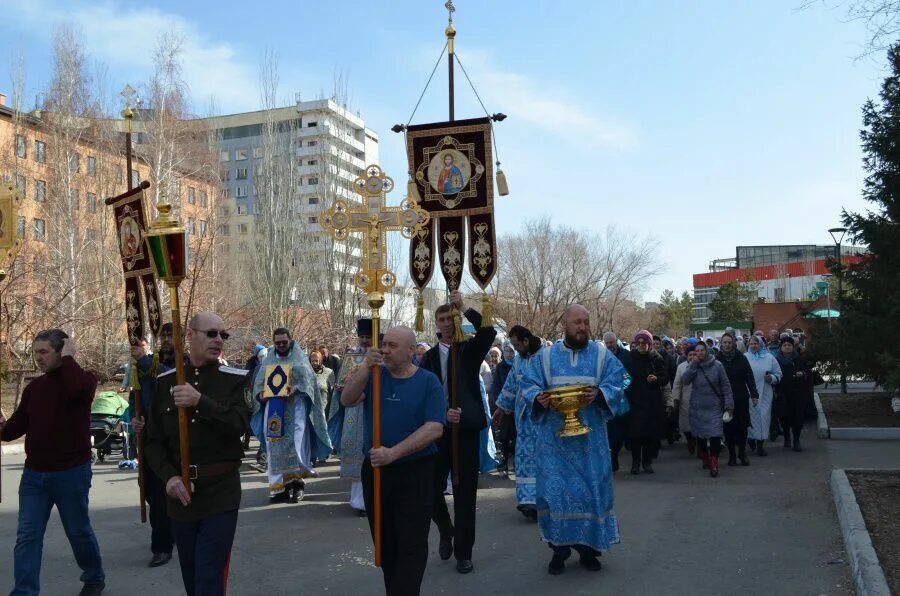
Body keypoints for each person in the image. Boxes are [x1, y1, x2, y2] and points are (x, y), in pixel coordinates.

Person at [143, 313, 249, 596]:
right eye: (211, 333)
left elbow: (240, 424)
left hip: (220, 494)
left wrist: (200, 401)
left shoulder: (235, 380)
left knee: (208, 579)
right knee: (192, 578)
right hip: (181, 496)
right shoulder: (165, 383)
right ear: (190, 336)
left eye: (223, 335)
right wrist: (169, 477)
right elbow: (152, 442)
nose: (218, 340)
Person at [519, 305, 626, 576]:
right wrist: (538, 399)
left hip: (592, 445)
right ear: (564, 324)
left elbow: (622, 379)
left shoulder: (602, 355)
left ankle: (589, 549)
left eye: (586, 322)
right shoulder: (545, 357)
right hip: (555, 445)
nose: (582, 327)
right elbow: (527, 384)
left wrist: (601, 393)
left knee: (591, 494)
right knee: (557, 496)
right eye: (577, 322)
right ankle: (559, 550)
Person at [340, 326, 445, 596]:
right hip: (375, 471)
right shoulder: (375, 376)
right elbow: (347, 399)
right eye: (384, 344)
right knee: (385, 543)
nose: (385, 350)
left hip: (415, 472)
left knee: (411, 543)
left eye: (392, 346)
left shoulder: (428, 381)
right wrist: (365, 367)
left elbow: (434, 428)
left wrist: (394, 452)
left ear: (411, 351)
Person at [0, 331, 106, 596]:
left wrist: (70, 360)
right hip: (35, 475)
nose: (38, 358)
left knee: (77, 531)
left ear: (62, 352)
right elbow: (12, 429)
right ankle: (24, 592)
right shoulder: (34, 388)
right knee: (27, 536)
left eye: (44, 352)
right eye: (36, 352)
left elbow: (78, 391)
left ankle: (94, 577)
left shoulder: (84, 380)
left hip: (71, 472)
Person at [419, 290, 496, 574]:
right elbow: (423, 395)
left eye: (450, 317)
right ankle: (446, 529)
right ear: (436, 324)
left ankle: (464, 551)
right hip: (436, 431)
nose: (447, 323)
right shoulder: (426, 358)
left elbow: (488, 332)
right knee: (429, 489)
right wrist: (441, 415)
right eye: (442, 319)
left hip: (464, 432)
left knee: (465, 493)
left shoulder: (469, 351)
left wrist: (464, 307)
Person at [253, 327, 331, 503]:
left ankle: (297, 485)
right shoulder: (269, 359)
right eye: (277, 342)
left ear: (290, 340)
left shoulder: (300, 359)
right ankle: (279, 488)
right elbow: (258, 384)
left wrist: (296, 389)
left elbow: (309, 382)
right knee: (274, 447)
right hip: (274, 409)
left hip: (295, 409)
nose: (281, 345)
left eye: (284, 342)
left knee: (296, 446)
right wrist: (260, 395)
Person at [130, 322, 177, 568]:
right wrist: (135, 419)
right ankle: (169, 530)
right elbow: (135, 396)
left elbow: (170, 378)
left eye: (171, 334)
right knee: (147, 487)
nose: (167, 338)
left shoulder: (184, 361)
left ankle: (162, 546)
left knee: (162, 494)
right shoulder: (146, 363)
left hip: (173, 439)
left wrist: (146, 360)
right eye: (164, 334)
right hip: (149, 437)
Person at [493, 326, 543, 518]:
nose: (515, 349)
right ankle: (527, 501)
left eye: (517, 345)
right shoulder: (519, 360)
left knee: (541, 460)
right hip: (523, 420)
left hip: (542, 418)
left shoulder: (544, 357)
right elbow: (511, 384)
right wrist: (501, 408)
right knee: (523, 460)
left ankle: (543, 500)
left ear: (526, 341)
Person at [328, 318, 374, 516]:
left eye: (367, 336)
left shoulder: (379, 357)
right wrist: (339, 389)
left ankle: (370, 500)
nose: (364, 340)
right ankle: (359, 502)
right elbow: (342, 383)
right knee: (356, 454)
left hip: (370, 409)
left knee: (369, 454)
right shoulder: (351, 357)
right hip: (352, 412)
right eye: (362, 336)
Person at [682, 341, 734, 477]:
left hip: (714, 407)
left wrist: (729, 404)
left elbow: (726, 386)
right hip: (698, 407)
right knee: (701, 438)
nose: (699, 353)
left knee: (715, 435)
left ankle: (714, 463)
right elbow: (685, 380)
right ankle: (705, 458)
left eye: (702, 350)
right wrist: (693, 365)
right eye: (697, 351)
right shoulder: (693, 366)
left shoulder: (717, 366)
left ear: (707, 351)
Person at [624, 330, 669, 475]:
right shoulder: (630, 358)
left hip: (652, 401)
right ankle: (635, 463)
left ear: (649, 344)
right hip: (635, 401)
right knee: (635, 435)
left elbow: (665, 378)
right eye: (639, 343)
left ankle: (647, 463)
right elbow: (623, 377)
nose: (642, 346)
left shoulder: (656, 358)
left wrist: (656, 378)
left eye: (644, 343)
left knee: (649, 435)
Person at [715, 332, 760, 467]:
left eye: (729, 342)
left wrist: (754, 394)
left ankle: (742, 453)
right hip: (725, 400)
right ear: (721, 344)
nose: (727, 345)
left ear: (734, 343)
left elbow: (749, 377)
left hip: (741, 397)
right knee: (728, 428)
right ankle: (732, 456)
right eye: (725, 342)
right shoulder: (717, 360)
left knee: (742, 426)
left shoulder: (741, 358)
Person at [746, 335, 782, 457]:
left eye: (756, 343)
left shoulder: (769, 358)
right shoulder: (745, 357)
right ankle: (751, 439)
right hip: (749, 393)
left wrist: (771, 378)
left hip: (765, 393)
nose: (753, 346)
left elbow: (778, 373)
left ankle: (761, 445)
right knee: (751, 417)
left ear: (761, 344)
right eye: (751, 344)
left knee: (763, 417)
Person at [602, 332, 631, 472]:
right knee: (610, 433)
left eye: (611, 343)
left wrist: (618, 389)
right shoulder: (601, 358)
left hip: (621, 400)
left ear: (616, 341)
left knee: (619, 434)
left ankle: (616, 451)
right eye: (607, 343)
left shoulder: (626, 355)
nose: (609, 346)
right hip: (606, 402)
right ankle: (612, 458)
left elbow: (629, 378)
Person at [774, 337, 810, 452]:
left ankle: (796, 440)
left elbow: (807, 373)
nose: (787, 347)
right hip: (782, 393)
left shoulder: (798, 359)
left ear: (792, 347)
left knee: (798, 418)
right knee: (784, 417)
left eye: (789, 345)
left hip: (797, 393)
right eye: (784, 345)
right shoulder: (776, 360)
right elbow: (773, 374)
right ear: (781, 347)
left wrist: (802, 374)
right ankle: (786, 437)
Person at [489, 341, 515, 475]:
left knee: (517, 436)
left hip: (517, 408)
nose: (510, 354)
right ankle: (503, 464)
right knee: (503, 437)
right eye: (507, 351)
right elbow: (496, 387)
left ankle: (517, 464)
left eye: (512, 351)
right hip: (503, 409)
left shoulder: (519, 365)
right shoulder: (500, 367)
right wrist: (502, 405)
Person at [672, 339, 698, 456]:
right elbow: (677, 384)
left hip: (699, 399)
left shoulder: (701, 366)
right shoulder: (681, 367)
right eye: (690, 355)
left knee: (698, 424)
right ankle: (690, 440)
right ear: (686, 356)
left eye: (694, 354)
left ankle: (699, 446)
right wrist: (675, 399)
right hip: (685, 400)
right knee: (686, 424)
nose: (692, 357)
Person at [309, 349, 335, 437]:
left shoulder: (329, 372)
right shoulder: (307, 373)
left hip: (324, 410)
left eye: (316, 361)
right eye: (312, 361)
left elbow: (333, 391)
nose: (314, 363)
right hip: (309, 410)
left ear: (321, 360)